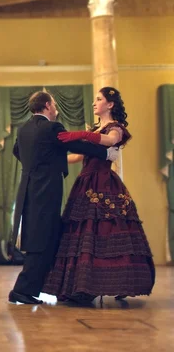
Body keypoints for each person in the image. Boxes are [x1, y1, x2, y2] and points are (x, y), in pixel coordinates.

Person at [42, 87, 155, 303]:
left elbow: (111, 140)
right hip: (85, 182)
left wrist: (84, 135)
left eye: (99, 99)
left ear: (110, 104)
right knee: (82, 233)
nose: (94, 103)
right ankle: (80, 287)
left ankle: (107, 284)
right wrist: (50, 160)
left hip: (104, 183)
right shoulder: (96, 128)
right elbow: (77, 156)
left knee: (104, 231)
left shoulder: (115, 128)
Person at [8, 91, 119, 305]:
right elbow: (75, 145)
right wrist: (105, 154)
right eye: (55, 104)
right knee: (43, 239)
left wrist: (35, 165)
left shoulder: (24, 129)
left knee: (44, 237)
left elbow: (17, 151)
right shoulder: (52, 127)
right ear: (48, 105)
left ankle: (38, 288)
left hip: (28, 188)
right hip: (45, 189)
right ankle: (21, 290)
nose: (56, 108)